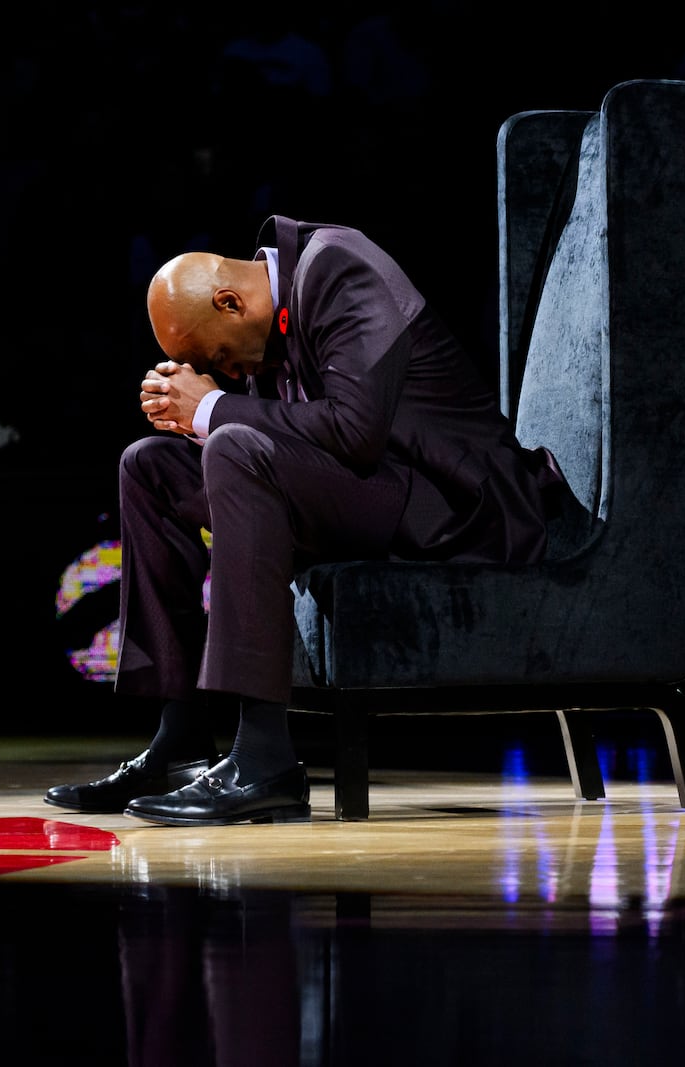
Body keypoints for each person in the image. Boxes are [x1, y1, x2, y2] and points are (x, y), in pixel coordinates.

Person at [44, 214, 569, 825]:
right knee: (151, 466)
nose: (230, 372)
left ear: (231, 301)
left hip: (455, 507)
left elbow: (354, 431)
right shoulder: (265, 323)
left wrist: (212, 406)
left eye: (217, 355)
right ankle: (181, 733)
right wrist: (194, 418)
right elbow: (290, 444)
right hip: (371, 492)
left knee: (232, 445)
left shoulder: (341, 267)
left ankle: (264, 758)